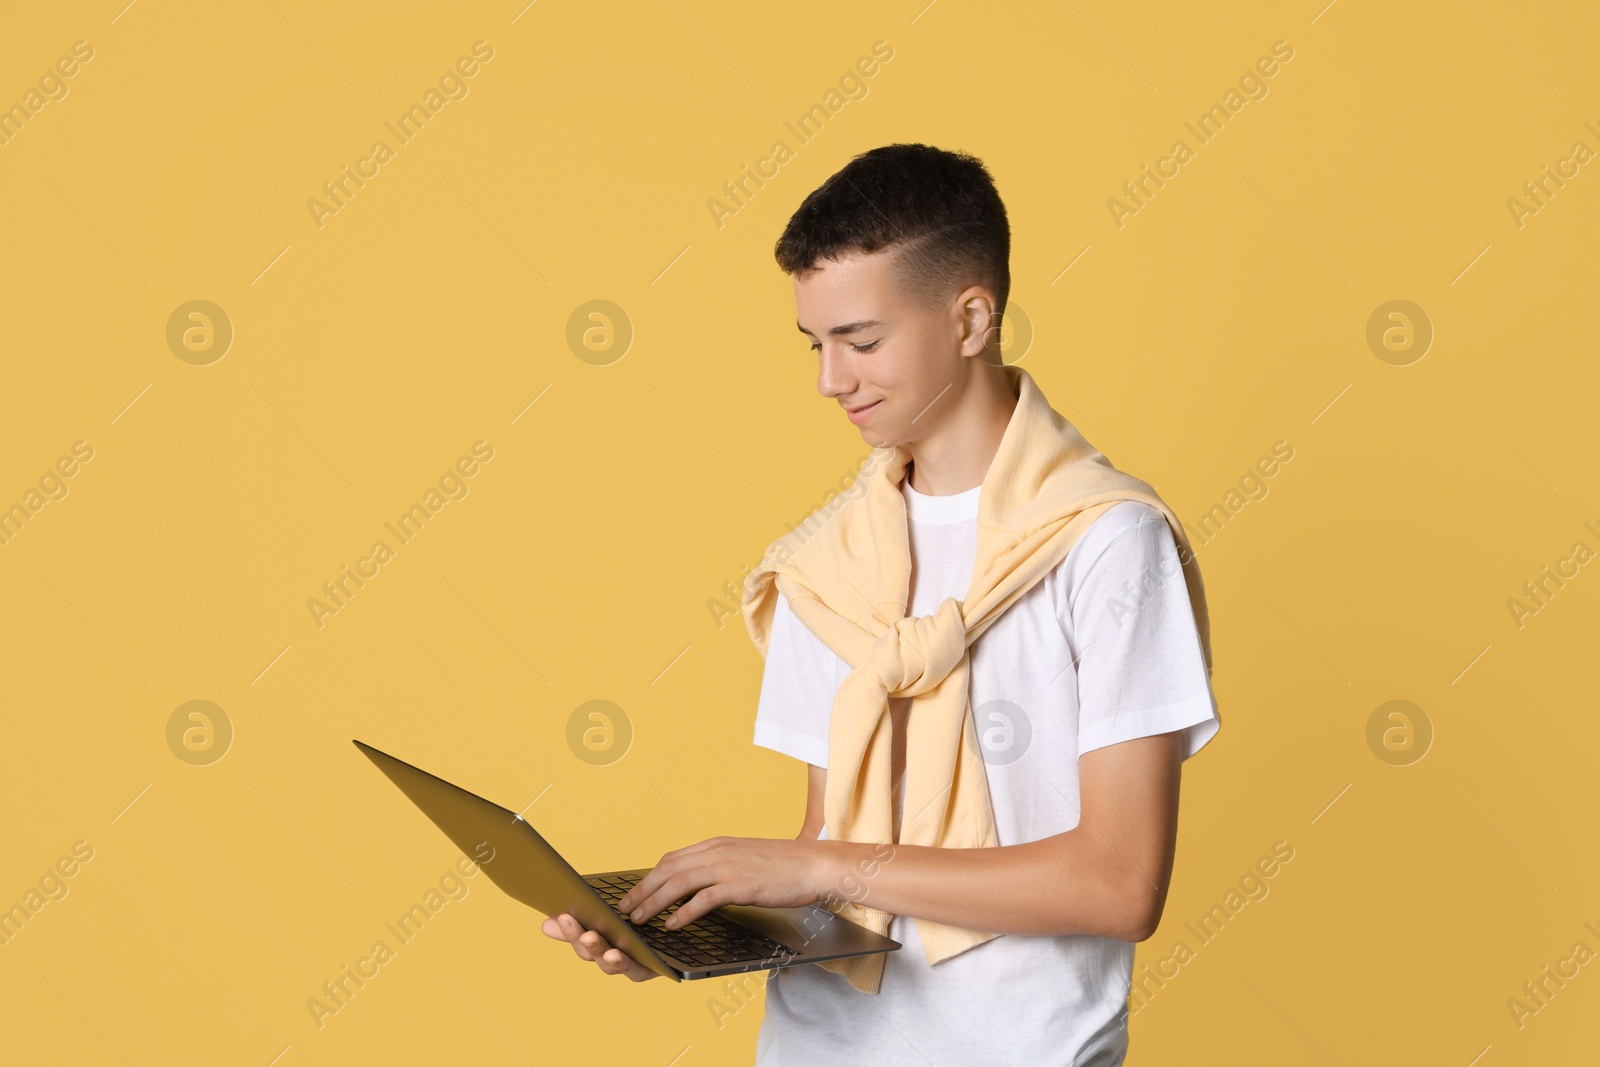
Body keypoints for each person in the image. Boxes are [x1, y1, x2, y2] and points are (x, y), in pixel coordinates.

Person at [542, 143, 1220, 1066]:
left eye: (862, 340)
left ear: (972, 318)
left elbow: (1118, 883)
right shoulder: (829, 566)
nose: (832, 378)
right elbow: (829, 849)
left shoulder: (1106, 542)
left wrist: (822, 865)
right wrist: (677, 932)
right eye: (815, 344)